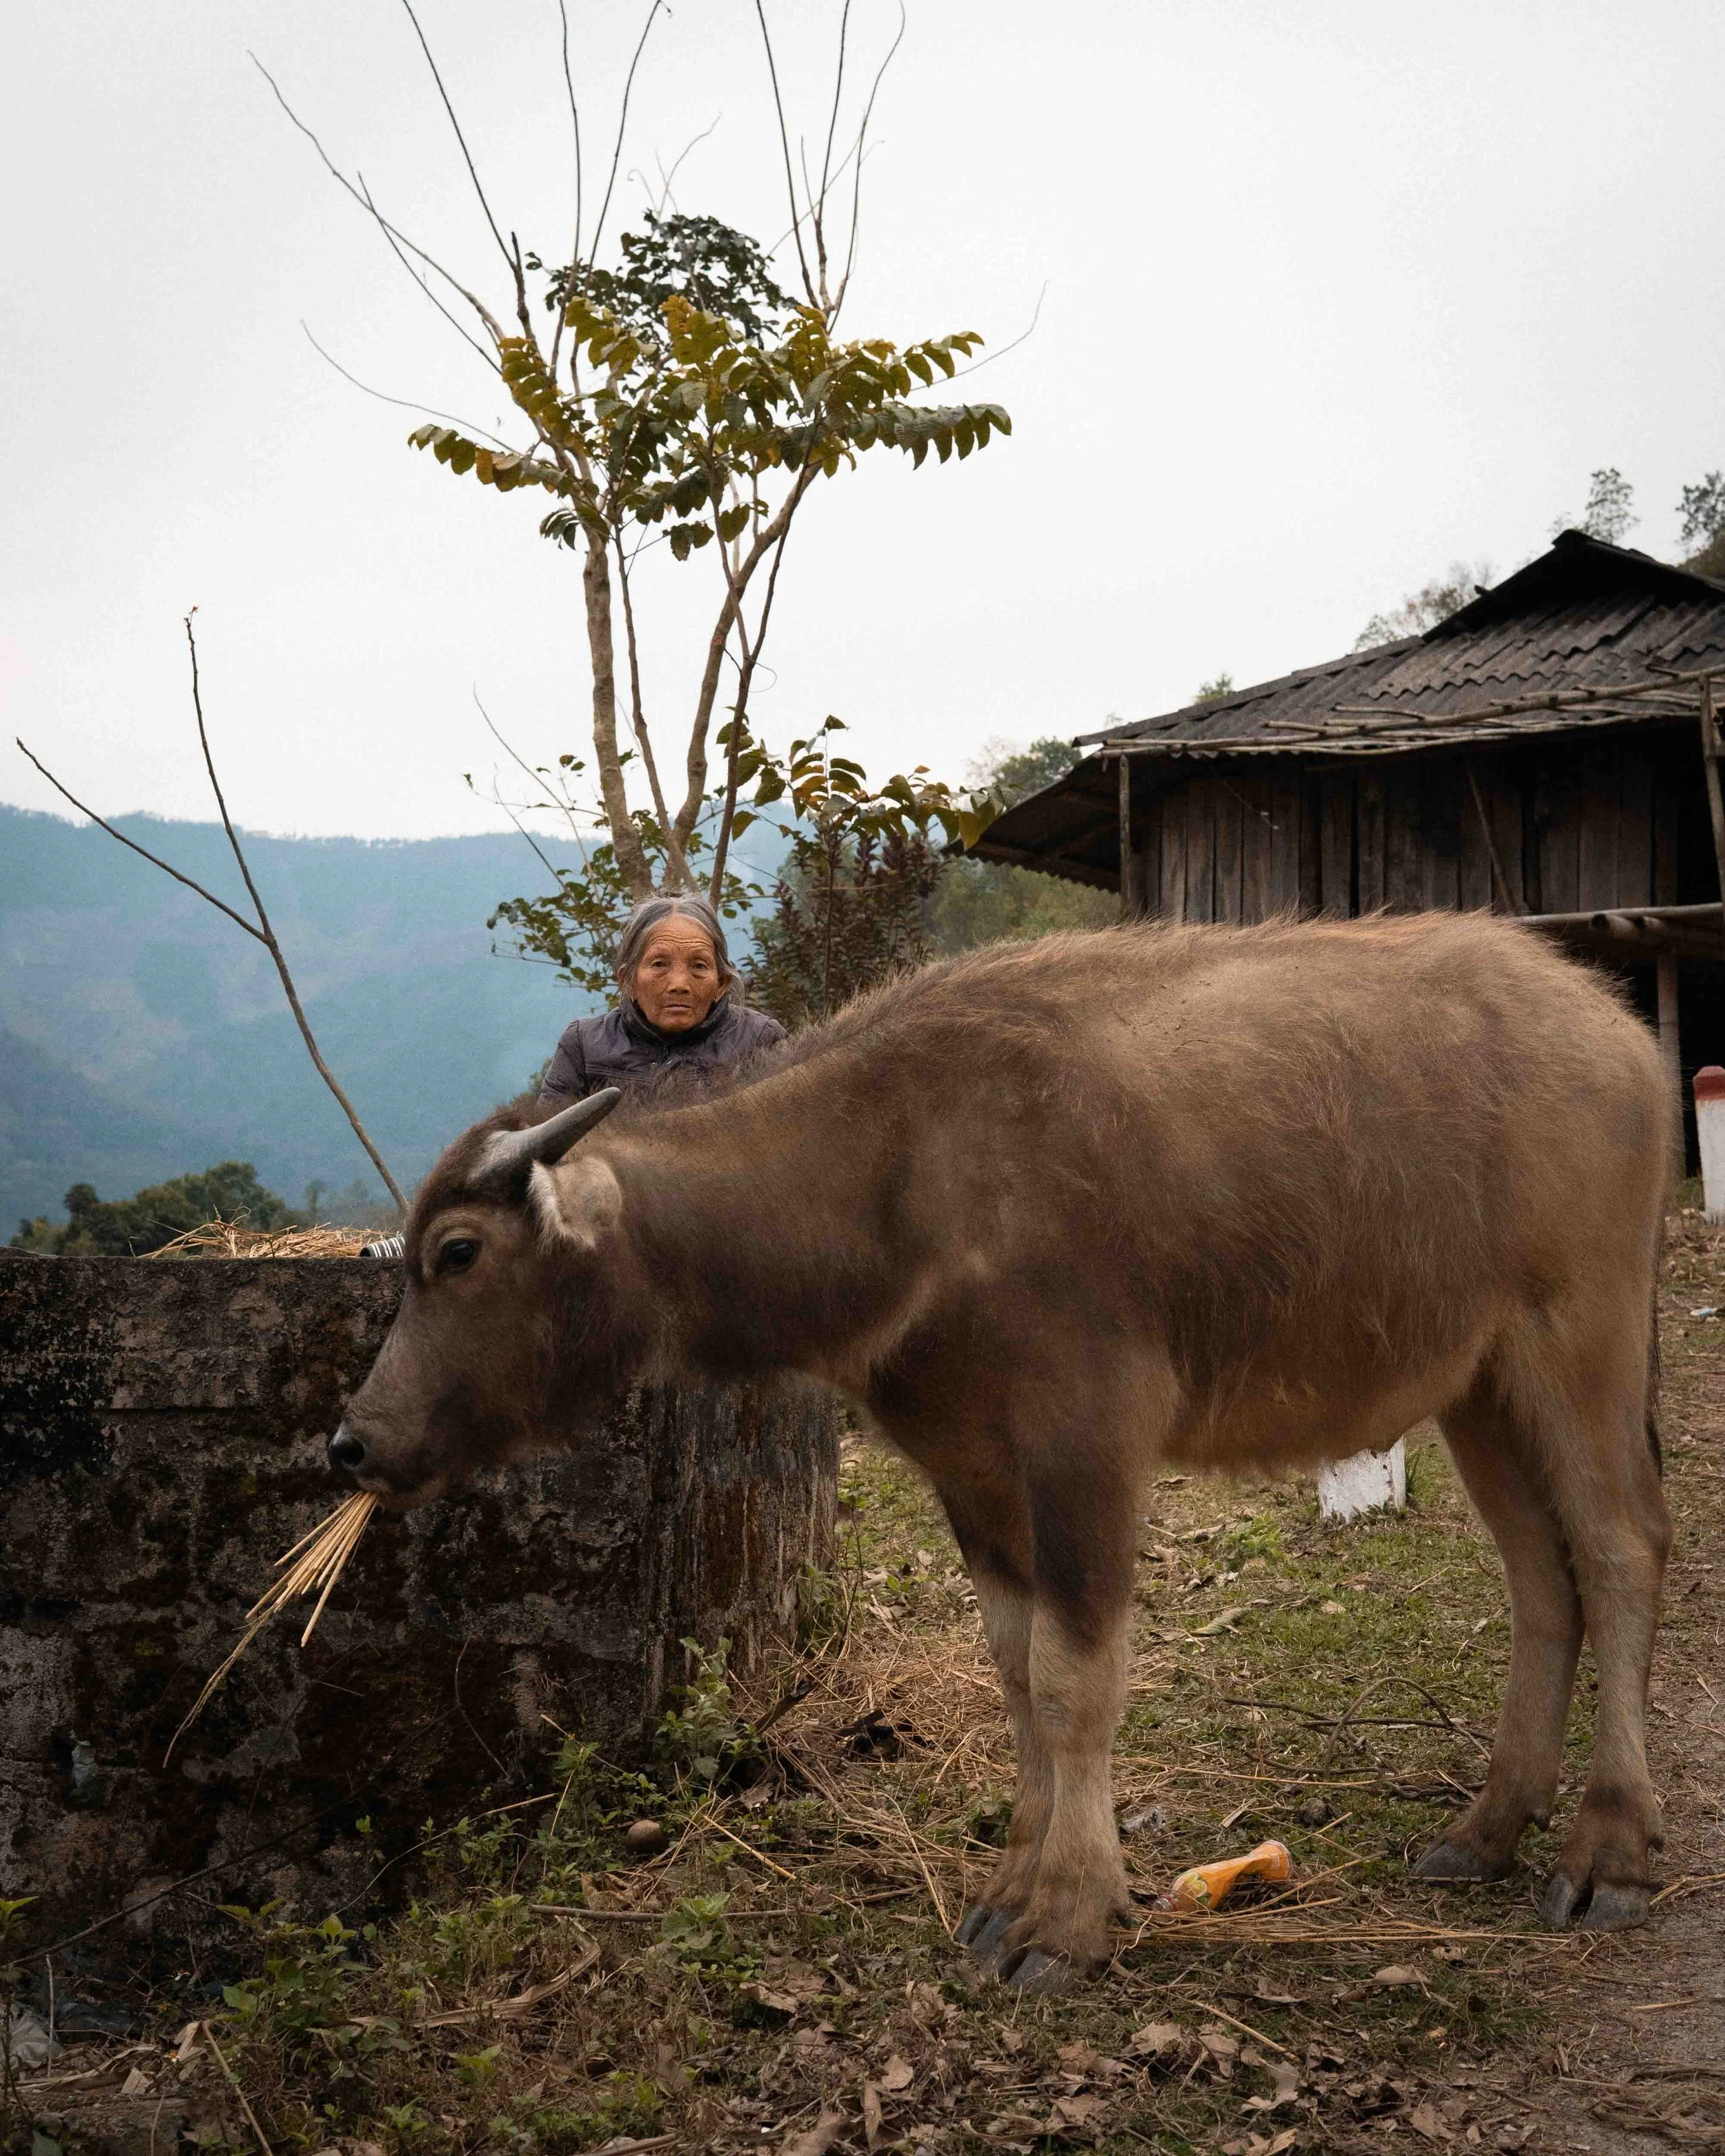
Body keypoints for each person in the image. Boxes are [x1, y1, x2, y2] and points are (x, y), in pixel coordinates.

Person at [538, 893, 786, 1103]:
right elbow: (547, 1137)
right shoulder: (583, 1044)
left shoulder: (761, 1040)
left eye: (699, 966)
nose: (679, 985)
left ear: (721, 984)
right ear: (629, 981)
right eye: (659, 964)